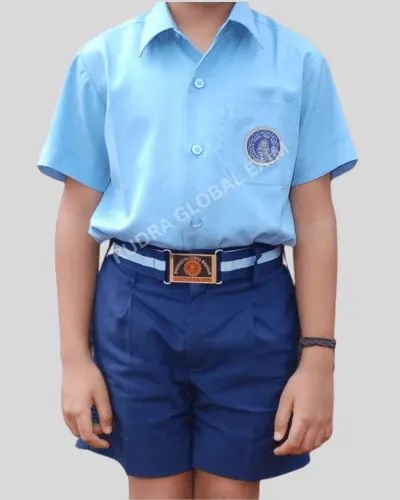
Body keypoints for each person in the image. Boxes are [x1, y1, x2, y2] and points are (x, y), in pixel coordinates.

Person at [38, 2, 358, 499]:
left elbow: (315, 219)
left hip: (251, 309)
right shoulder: (102, 61)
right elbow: (77, 214)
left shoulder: (298, 63)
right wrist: (73, 358)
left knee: (231, 491)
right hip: (137, 309)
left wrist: (319, 359)